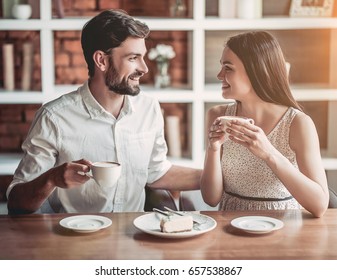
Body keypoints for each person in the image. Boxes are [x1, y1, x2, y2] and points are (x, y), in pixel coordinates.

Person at [6, 9, 201, 214]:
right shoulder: (54, 118)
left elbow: (156, 172)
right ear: (101, 60)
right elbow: (16, 203)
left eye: (142, 57)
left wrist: (224, 178)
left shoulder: (149, 108)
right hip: (72, 241)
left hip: (133, 237)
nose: (144, 68)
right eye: (134, 58)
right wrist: (52, 178)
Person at [200, 31, 329, 217]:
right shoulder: (217, 115)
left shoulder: (298, 124)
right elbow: (211, 198)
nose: (220, 75)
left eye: (228, 68)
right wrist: (213, 148)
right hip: (230, 228)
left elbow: (319, 205)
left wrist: (268, 153)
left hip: (284, 229)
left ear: (256, 70)